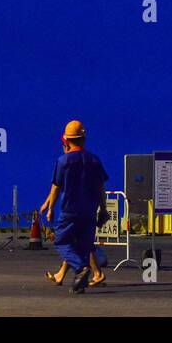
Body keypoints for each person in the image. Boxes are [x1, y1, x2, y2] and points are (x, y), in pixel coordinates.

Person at [40, 119, 109, 293]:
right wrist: (104, 209)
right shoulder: (95, 160)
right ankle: (80, 284)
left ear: (66, 140)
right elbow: (101, 187)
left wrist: (50, 208)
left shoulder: (63, 161)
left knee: (62, 242)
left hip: (70, 211)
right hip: (89, 212)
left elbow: (56, 188)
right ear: (83, 139)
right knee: (84, 247)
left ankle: (80, 269)